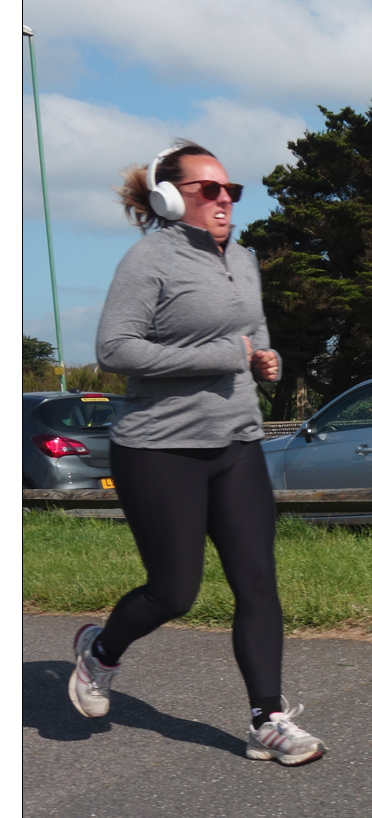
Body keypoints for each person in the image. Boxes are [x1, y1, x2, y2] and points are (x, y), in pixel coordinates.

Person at [70, 141, 326, 766]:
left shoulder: (244, 258)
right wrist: (223, 356)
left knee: (257, 582)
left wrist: (267, 363)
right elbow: (116, 350)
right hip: (160, 448)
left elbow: (254, 339)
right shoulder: (148, 260)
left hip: (236, 442)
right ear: (169, 196)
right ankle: (100, 653)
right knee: (174, 592)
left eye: (230, 191)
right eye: (208, 190)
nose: (223, 201)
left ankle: (269, 719)